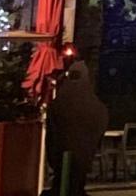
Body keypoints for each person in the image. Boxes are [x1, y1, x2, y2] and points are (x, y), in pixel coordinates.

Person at [45, 61, 109, 196]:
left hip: (61, 157)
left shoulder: (59, 102)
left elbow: (52, 130)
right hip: (82, 156)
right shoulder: (95, 105)